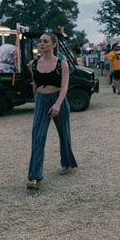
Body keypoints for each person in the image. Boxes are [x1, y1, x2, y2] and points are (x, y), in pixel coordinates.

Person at [26, 33, 77, 190]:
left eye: (45, 41)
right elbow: (35, 84)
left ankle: (67, 162)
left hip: (58, 100)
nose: (41, 43)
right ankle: (34, 177)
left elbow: (65, 86)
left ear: (53, 45)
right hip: (41, 100)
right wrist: (37, 102)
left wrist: (58, 104)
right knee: (38, 137)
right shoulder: (33, 64)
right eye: (40, 41)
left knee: (64, 134)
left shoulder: (62, 64)